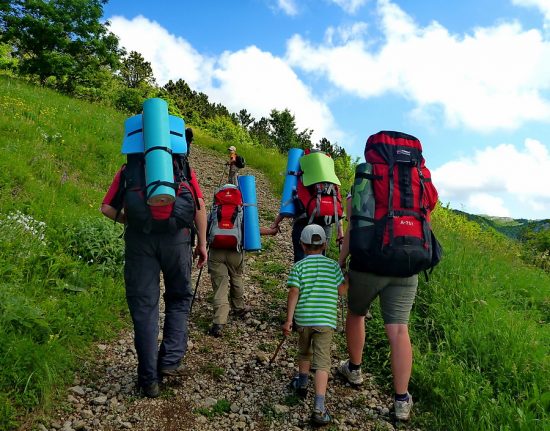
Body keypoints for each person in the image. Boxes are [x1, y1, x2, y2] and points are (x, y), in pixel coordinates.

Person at [101, 128, 207, 399]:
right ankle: (170, 362)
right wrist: (202, 244)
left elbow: (107, 208)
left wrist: (136, 221)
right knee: (179, 299)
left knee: (145, 308)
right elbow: (198, 207)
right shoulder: (182, 167)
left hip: (140, 243)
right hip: (177, 240)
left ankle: (148, 380)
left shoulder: (130, 169)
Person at [337, 196, 416, 421]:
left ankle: (354, 369)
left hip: (367, 265)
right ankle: (401, 401)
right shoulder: (415, 180)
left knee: (356, 313)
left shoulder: (364, 183)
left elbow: (353, 228)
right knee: (399, 329)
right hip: (406, 263)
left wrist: (342, 261)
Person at [282, 224, 345, 426]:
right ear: (325, 244)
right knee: (322, 363)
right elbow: (342, 291)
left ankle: (302, 382)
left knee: (304, 352)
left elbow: (293, 293)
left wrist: (289, 320)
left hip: (303, 319)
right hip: (325, 321)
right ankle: (318, 408)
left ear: (302, 244)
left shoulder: (298, 267)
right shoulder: (333, 266)